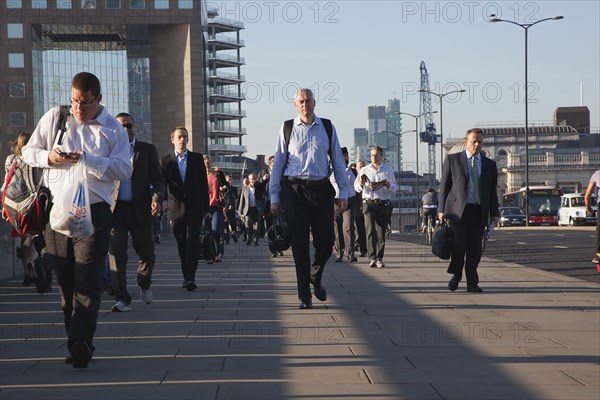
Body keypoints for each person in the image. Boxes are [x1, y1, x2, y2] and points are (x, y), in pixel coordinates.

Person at [22, 72, 133, 368]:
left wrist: (88, 160)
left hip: (94, 211)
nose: (78, 108)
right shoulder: (55, 118)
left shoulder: (112, 130)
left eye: (84, 103)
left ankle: (82, 342)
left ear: (98, 100)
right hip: (57, 211)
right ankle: (76, 339)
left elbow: (124, 169)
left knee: (88, 277)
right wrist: (51, 158)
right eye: (74, 101)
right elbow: (28, 152)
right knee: (67, 283)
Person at [270, 88, 348, 310]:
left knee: (326, 241)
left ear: (315, 103)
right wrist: (274, 195)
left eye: (308, 101)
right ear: (296, 105)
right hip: (294, 191)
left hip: (321, 189)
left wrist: (343, 191)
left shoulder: (327, 127)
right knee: (300, 244)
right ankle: (305, 295)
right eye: (301, 102)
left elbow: (337, 161)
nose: (305, 104)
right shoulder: (287, 128)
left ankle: (316, 273)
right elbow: (278, 164)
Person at [108, 113, 164, 312]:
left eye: (129, 125)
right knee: (116, 255)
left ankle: (144, 282)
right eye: (120, 126)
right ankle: (122, 298)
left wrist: (156, 199)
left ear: (134, 128)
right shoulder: (108, 151)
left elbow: (158, 180)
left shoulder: (147, 150)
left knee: (146, 252)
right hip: (116, 211)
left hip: (141, 208)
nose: (125, 130)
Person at [438, 128, 500, 293]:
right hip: (457, 211)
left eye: (480, 141)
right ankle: (456, 274)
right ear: (466, 142)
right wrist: (441, 209)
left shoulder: (489, 165)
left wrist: (495, 213)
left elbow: (492, 191)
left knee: (475, 248)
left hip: (479, 210)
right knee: (459, 243)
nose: (477, 145)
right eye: (474, 141)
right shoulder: (453, 160)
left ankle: (472, 282)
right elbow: (444, 185)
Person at [161, 126, 209, 291]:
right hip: (176, 208)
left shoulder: (196, 159)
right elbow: (162, 184)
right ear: (172, 139)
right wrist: (163, 201)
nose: (182, 140)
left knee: (192, 241)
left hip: (195, 207)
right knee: (181, 242)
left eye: (185, 137)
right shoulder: (166, 161)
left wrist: (206, 209)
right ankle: (185, 275)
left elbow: (203, 184)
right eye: (179, 137)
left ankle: (191, 277)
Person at [354, 146, 398, 268]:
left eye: (376, 155)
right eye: (372, 155)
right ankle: (372, 257)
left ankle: (379, 258)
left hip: (383, 203)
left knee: (381, 231)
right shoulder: (364, 170)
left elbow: (395, 188)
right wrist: (361, 185)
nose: (373, 157)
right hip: (368, 202)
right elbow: (356, 187)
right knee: (370, 230)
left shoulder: (388, 170)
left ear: (381, 156)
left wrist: (388, 185)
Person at [331, 147, 358, 263]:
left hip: (350, 200)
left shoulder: (353, 171)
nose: (343, 158)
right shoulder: (330, 171)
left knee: (348, 226)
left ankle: (350, 253)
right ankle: (338, 251)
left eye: (345, 156)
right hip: (335, 201)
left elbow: (358, 187)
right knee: (336, 227)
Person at [203, 155, 227, 263]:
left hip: (216, 205)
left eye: (208, 163)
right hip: (204, 207)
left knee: (216, 230)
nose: (207, 166)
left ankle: (219, 252)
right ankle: (210, 255)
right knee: (208, 231)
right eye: (205, 164)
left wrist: (223, 189)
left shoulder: (217, 174)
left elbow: (226, 187)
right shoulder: (199, 176)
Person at [238, 172, 265, 246]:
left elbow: (263, 199)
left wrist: (262, 210)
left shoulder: (259, 187)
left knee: (257, 225)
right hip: (248, 209)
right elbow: (241, 200)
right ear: (249, 180)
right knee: (248, 223)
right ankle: (249, 238)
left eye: (254, 179)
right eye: (251, 179)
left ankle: (255, 239)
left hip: (257, 209)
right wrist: (240, 212)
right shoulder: (245, 189)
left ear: (255, 179)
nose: (252, 181)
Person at [584, 169, 600, 264]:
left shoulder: (597, 174)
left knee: (599, 230)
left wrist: (588, 208)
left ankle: (598, 255)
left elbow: (587, 196)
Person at [354, 159, 367, 257]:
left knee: (364, 228)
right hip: (355, 206)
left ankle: (364, 248)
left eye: (363, 166)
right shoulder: (353, 176)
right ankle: (357, 245)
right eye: (360, 166)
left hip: (366, 205)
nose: (362, 168)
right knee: (357, 228)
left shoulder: (367, 175)